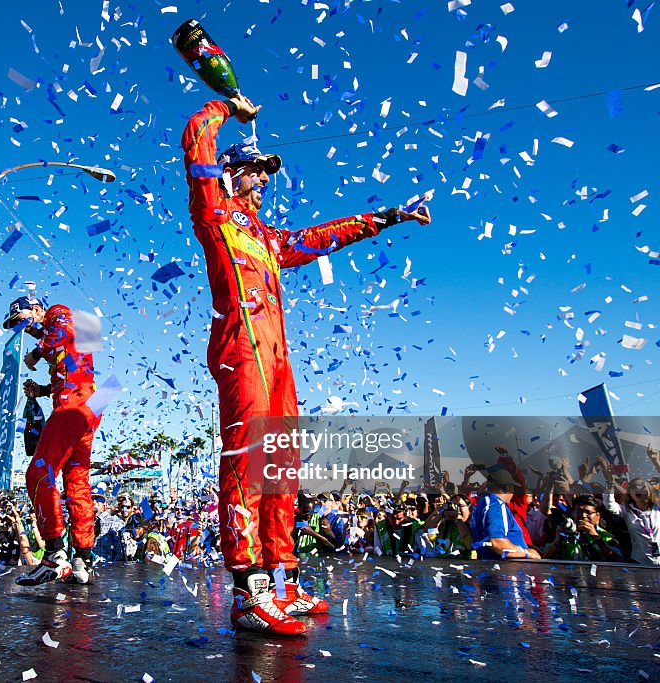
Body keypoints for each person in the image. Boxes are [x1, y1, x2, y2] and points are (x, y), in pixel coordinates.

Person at [181, 93, 431, 635]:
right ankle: (248, 593)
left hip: (278, 353)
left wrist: (386, 217)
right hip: (239, 344)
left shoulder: (266, 236)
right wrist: (226, 108)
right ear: (230, 172)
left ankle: (282, 576)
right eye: (256, 171)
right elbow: (195, 141)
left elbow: (320, 238)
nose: (265, 180)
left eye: (267, 173)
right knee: (248, 459)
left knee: (281, 463)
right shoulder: (212, 210)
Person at [3, 294, 102, 586]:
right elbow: (78, 371)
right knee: (77, 481)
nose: (22, 330)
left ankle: (55, 555)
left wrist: (37, 351)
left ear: (36, 309)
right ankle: (83, 559)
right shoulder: (64, 335)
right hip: (88, 402)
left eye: (21, 322)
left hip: (75, 405)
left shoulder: (60, 312)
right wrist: (43, 390)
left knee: (38, 471)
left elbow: (69, 329)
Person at [470, 470, 542, 560]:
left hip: (491, 566)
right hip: (503, 569)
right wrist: (528, 553)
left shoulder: (482, 504)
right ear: (508, 487)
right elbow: (497, 542)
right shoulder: (495, 505)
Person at [543, 495, 623, 562]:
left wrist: (596, 537)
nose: (583, 516)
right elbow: (546, 559)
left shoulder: (607, 536)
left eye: (588, 512)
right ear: (573, 513)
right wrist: (557, 541)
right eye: (579, 511)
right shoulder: (565, 530)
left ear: (598, 516)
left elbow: (619, 561)